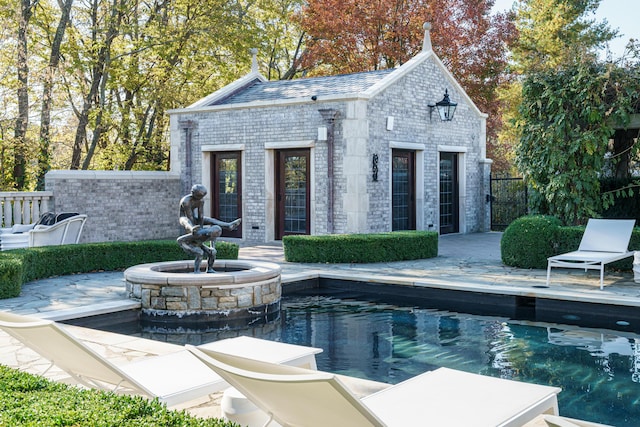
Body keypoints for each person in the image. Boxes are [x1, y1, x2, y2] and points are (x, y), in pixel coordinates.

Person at [177, 184, 241, 273]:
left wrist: (211, 246)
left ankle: (227, 225)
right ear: (193, 193)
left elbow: (201, 216)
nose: (200, 199)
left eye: (201, 197)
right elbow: (190, 216)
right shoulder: (186, 201)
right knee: (186, 220)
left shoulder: (201, 201)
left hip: (197, 224)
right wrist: (195, 230)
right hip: (186, 220)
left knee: (209, 219)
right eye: (199, 196)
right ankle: (193, 229)